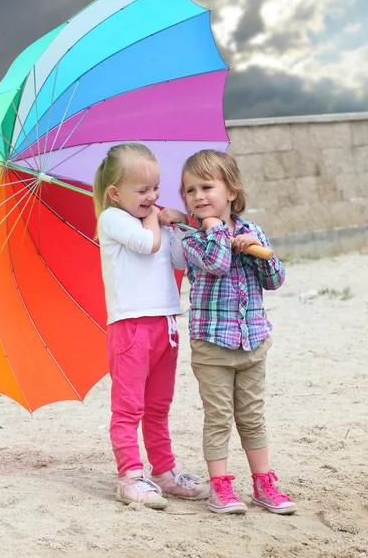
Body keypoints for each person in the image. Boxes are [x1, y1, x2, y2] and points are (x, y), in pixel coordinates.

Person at [169, 149, 297, 515]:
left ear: (232, 192)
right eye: (189, 191)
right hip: (213, 346)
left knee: (253, 416)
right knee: (219, 416)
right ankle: (221, 488)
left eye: (206, 186)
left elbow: (275, 281)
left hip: (253, 341)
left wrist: (263, 255)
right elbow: (218, 264)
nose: (198, 196)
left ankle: (263, 484)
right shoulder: (192, 239)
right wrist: (217, 233)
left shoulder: (252, 232)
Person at [92, 142, 208, 510]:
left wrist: (181, 225)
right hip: (130, 327)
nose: (152, 196)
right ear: (115, 192)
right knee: (129, 407)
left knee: (159, 405)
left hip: (165, 323)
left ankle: (164, 472)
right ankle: (130, 476)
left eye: (156, 187)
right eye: (142, 190)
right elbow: (146, 244)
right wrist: (156, 219)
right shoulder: (112, 219)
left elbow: (175, 257)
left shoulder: (150, 218)